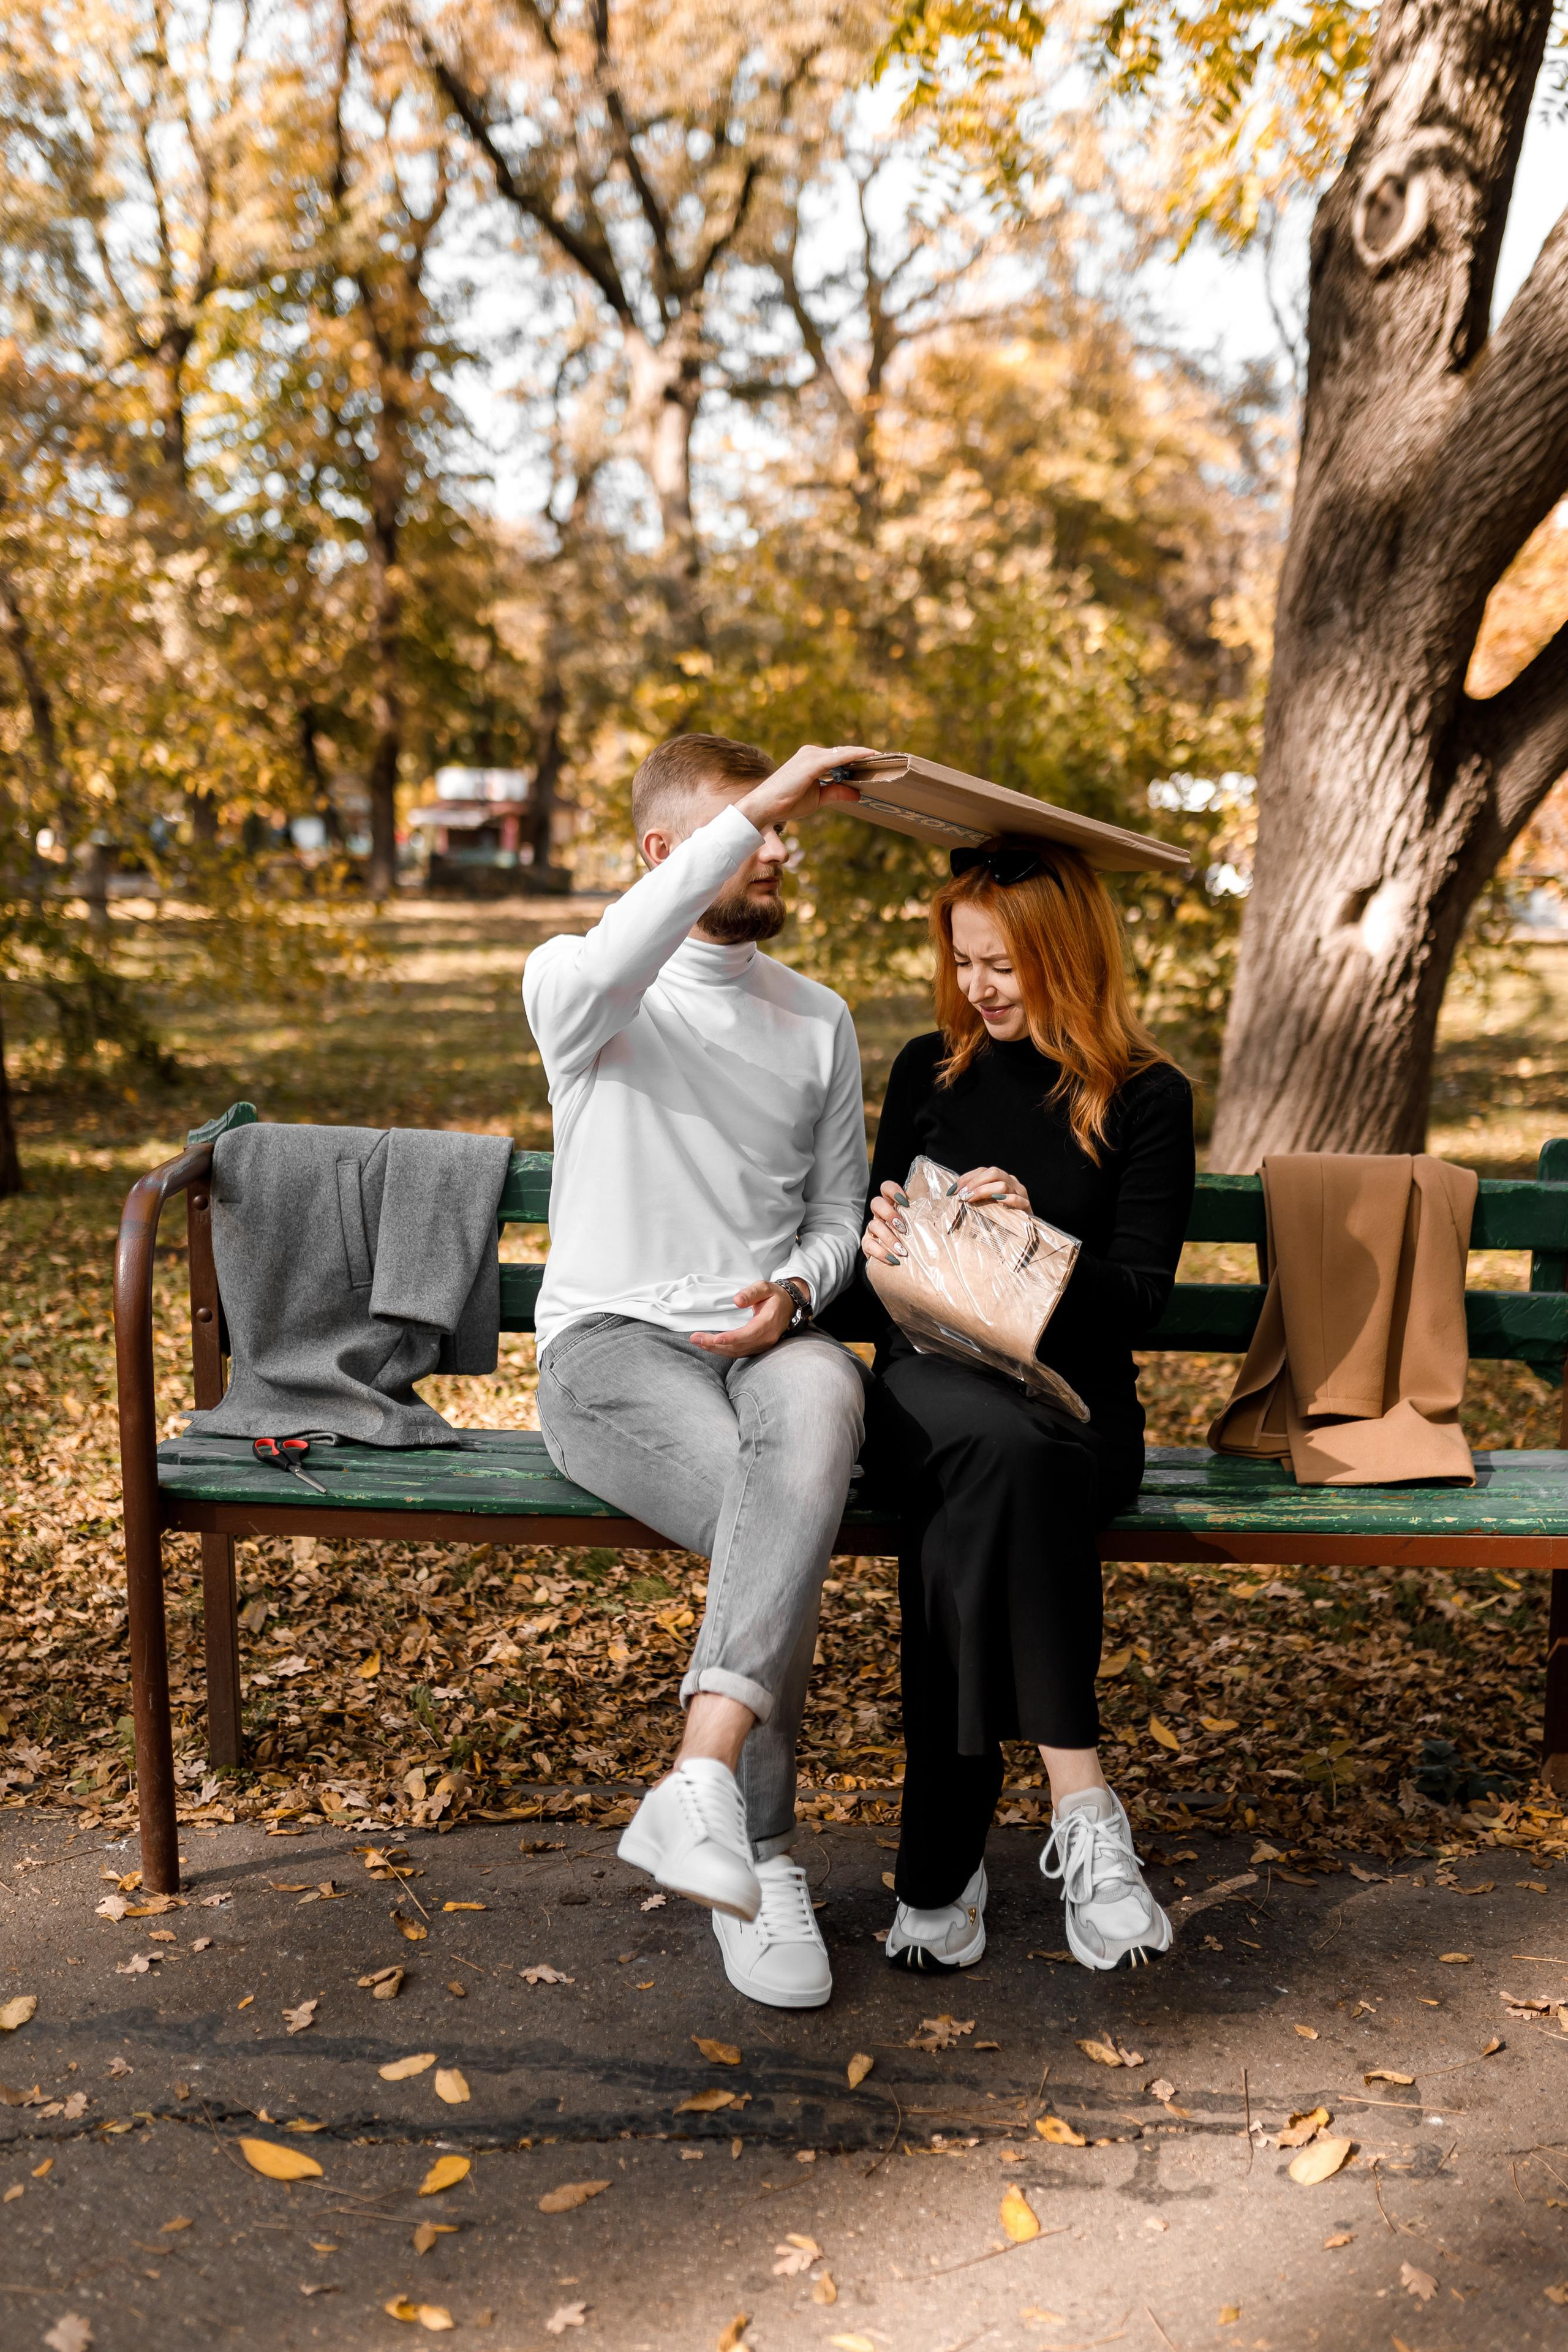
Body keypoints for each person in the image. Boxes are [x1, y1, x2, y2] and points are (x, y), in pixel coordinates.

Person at [523, 733, 875, 2010]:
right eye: (751, 826)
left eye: (783, 828)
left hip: (770, 1343)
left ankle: (700, 1785)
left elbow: (840, 1213)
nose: (777, 846)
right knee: (767, 1504)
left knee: (827, 1400)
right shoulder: (580, 985)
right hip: (611, 1352)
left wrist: (797, 1292)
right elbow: (623, 948)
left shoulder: (817, 1018)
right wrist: (770, 793)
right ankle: (763, 1859)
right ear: (664, 855)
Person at [858, 836, 1194, 1972]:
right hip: (924, 1388)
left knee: (1010, 1466)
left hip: (1076, 1409)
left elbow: (1139, 1300)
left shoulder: (1147, 1098)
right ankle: (1084, 1809)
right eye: (963, 961)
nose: (980, 987)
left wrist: (1034, 1241)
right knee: (1000, 1453)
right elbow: (881, 1284)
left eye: (1004, 963)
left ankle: (941, 1868)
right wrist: (889, 1240)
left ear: (1069, 954)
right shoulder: (927, 1071)